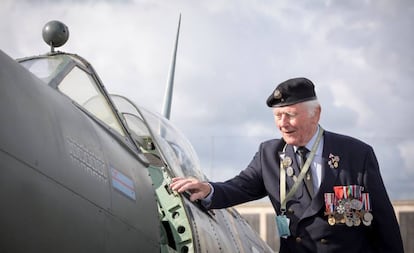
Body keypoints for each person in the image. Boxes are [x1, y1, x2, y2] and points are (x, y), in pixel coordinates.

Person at [170, 77, 404, 253]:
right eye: (277, 115)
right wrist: (208, 189)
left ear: (316, 114)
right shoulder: (269, 154)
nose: (283, 123)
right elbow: (241, 186)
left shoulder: (356, 154)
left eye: (290, 115)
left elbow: (383, 223)